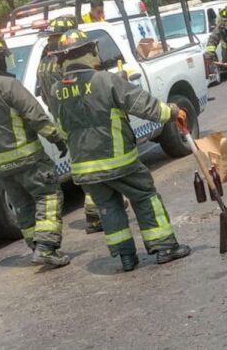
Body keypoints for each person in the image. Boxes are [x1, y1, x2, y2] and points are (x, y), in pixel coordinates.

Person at [52, 29, 191, 272]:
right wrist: (172, 112)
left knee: (108, 208)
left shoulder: (56, 91)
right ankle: (164, 248)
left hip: (85, 168)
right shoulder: (105, 80)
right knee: (145, 197)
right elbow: (142, 104)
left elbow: (63, 129)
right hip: (118, 160)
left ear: (63, 59)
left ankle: (126, 257)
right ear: (89, 52)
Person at [0, 37, 70, 267]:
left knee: (23, 206)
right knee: (48, 196)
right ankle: (46, 247)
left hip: (2, 167)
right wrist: (57, 138)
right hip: (28, 158)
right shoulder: (8, 85)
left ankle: (35, 247)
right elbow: (35, 116)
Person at [37, 15, 104, 234]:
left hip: (63, 120)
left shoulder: (44, 62)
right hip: (80, 119)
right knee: (95, 166)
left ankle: (95, 214)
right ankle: (97, 214)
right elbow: (79, 86)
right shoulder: (61, 62)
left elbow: (46, 94)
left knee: (84, 166)